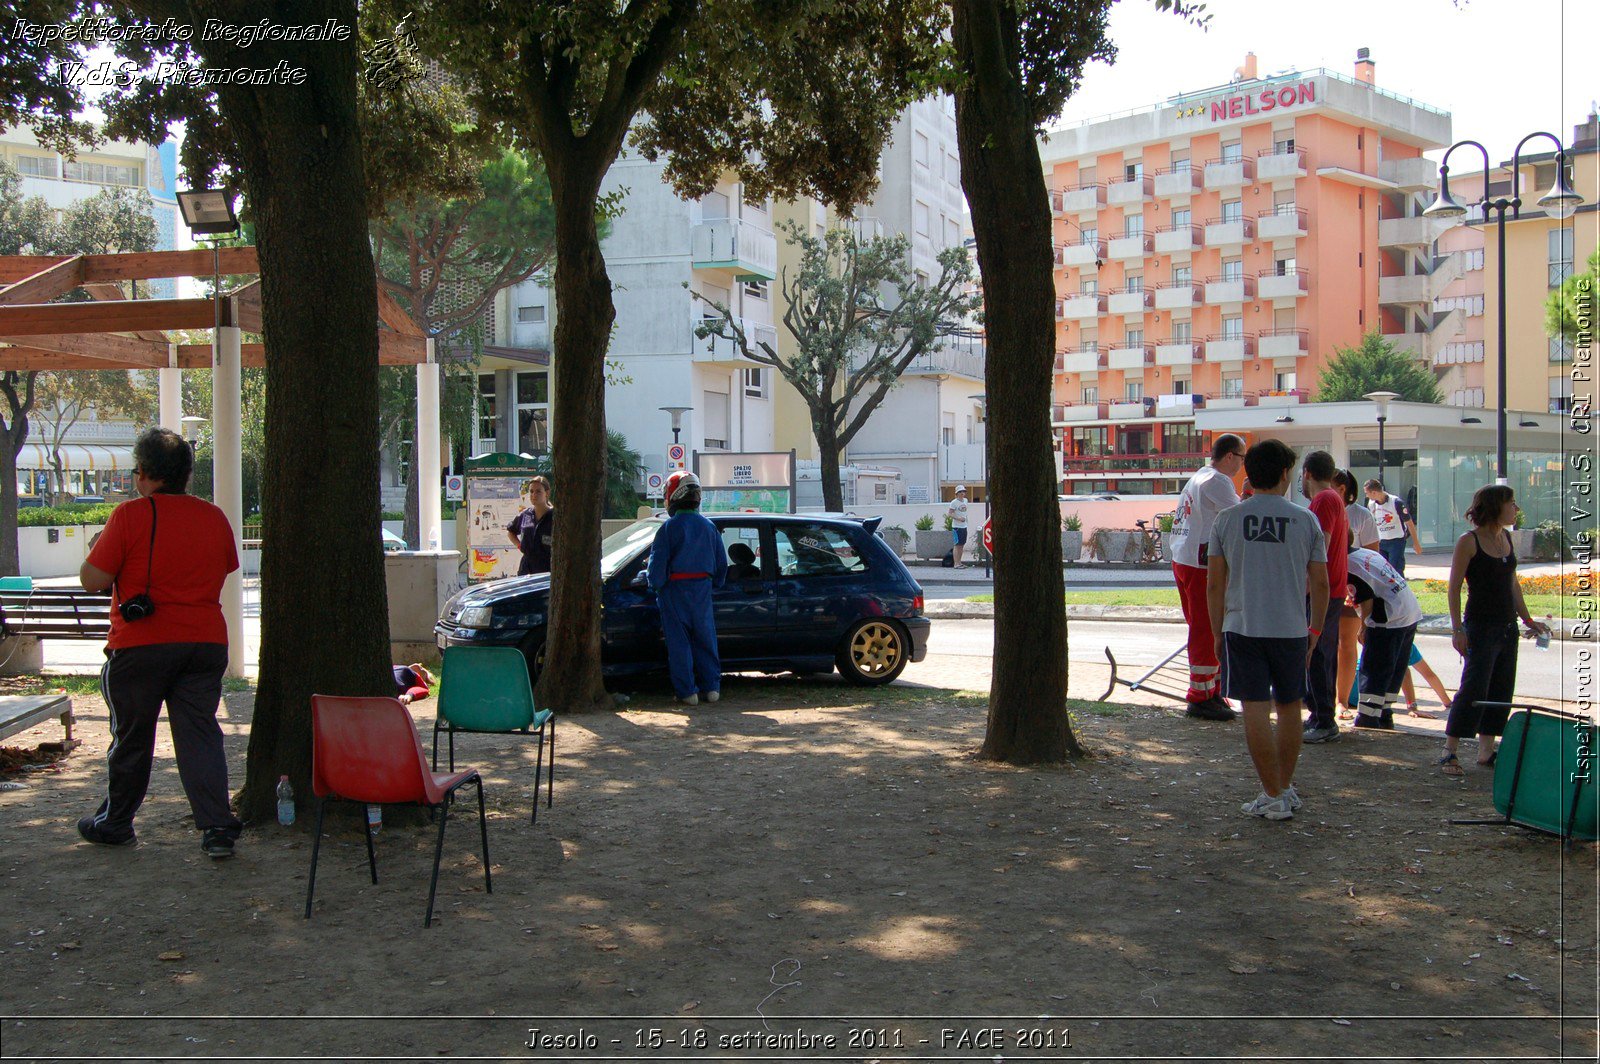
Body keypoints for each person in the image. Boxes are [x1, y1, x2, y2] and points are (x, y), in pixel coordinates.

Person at [75, 428, 242, 858]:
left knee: (131, 735)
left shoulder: (130, 515)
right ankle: (217, 827)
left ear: (144, 473)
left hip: (141, 644)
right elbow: (224, 567)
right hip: (204, 642)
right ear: (187, 474)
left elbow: (93, 580)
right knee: (200, 734)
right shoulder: (214, 517)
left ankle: (117, 822)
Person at [1207, 439, 1329, 821]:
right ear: (1283, 474)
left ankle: (1272, 791)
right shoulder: (1305, 519)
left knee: (1255, 709)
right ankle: (1284, 788)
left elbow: (1214, 584)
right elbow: (1321, 583)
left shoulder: (1226, 519)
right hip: (1291, 628)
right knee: (1290, 706)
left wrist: (1215, 632)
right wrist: (1316, 629)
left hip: (1242, 626)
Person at [1438, 485, 1552, 776]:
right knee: (1474, 687)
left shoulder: (1507, 538)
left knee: (1501, 687)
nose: (1516, 508)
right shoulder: (1469, 541)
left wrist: (1528, 620)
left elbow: (1513, 583)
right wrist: (1457, 629)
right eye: (1511, 503)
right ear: (1494, 506)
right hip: (1479, 626)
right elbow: (1453, 589)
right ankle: (1449, 750)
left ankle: (1486, 750)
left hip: (1506, 626)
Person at [1167, 433, 1246, 721]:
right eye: (1242, 458)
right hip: (1201, 563)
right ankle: (1200, 696)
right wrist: (1251, 496)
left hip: (1185, 558)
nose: (1242, 465)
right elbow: (1240, 516)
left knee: (1202, 625)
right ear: (1229, 456)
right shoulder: (1218, 481)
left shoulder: (1198, 477)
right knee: (1206, 627)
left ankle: (1211, 690)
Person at [648, 472, 728, 706]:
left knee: (679, 643)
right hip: (702, 589)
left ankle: (687, 692)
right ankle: (712, 688)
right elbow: (721, 565)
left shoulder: (668, 528)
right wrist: (713, 584)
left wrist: (656, 586)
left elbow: (657, 567)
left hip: (674, 590)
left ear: (673, 495)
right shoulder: (709, 526)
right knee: (705, 638)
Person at [1300, 451, 1349, 744]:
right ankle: (1319, 715)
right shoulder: (1331, 499)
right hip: (1330, 587)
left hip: (1323, 589)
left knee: (1316, 652)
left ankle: (1324, 719)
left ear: (1306, 472)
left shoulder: (1324, 500)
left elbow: (1320, 547)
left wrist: (1306, 585)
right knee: (1320, 652)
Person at [1345, 544, 1422, 730]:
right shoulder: (1365, 553)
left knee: (1374, 668)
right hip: (1408, 611)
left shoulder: (1349, 565)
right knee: (1394, 667)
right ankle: (1385, 715)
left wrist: (1363, 627)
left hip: (1388, 618)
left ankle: (1367, 718)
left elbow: (1366, 599)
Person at [1333, 469, 1381, 716]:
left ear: (1342, 488)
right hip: (1327, 585)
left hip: (1353, 587)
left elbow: (1373, 555)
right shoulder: (1318, 507)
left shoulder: (1361, 515)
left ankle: (1342, 699)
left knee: (1346, 643)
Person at [1366, 478, 1421, 574]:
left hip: (1396, 541)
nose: (1366, 495)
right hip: (1381, 542)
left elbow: (1409, 522)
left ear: (1374, 492)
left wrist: (1416, 542)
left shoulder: (1396, 502)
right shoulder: (1371, 504)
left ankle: (1400, 588)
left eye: (1367, 493)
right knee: (1383, 570)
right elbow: (1371, 524)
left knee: (1395, 570)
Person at [506, 475, 555, 576]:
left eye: (538, 491)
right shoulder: (525, 515)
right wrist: (519, 545)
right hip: (526, 569)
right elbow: (511, 531)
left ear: (547, 493)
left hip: (547, 570)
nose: (534, 495)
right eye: (531, 491)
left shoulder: (555, 516)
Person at [948, 486, 970, 568]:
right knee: (957, 545)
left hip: (964, 526)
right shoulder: (954, 502)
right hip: (957, 526)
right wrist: (958, 518)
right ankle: (956, 563)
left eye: (963, 491)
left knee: (962, 544)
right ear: (957, 493)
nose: (962, 493)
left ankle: (959, 562)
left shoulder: (966, 500)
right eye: (960, 492)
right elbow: (950, 513)